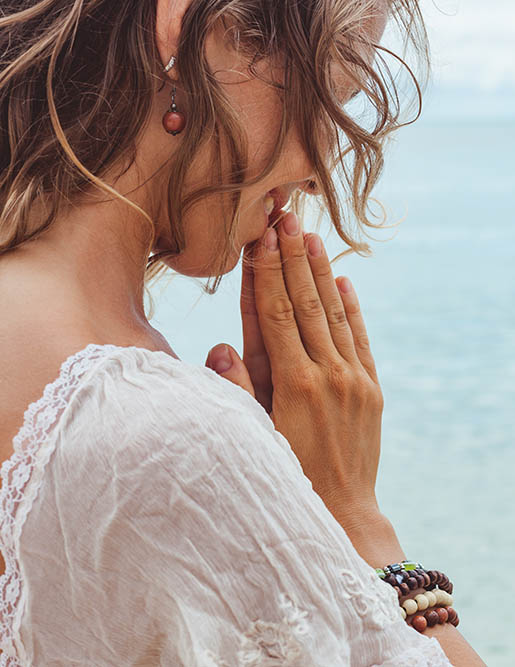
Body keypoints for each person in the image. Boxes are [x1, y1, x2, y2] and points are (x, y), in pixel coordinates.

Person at [0, 0, 485, 664]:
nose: (319, 171)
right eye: (329, 100)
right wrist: (351, 515)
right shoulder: (164, 435)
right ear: (204, 36)